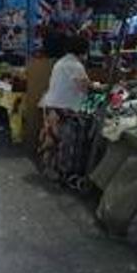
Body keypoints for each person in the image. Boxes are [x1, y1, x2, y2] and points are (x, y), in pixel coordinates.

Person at [39, 34, 96, 184]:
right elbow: (84, 86)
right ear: (83, 50)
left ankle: (49, 169)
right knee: (64, 142)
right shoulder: (75, 65)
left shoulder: (61, 62)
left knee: (52, 139)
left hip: (52, 105)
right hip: (64, 108)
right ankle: (62, 173)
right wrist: (97, 86)